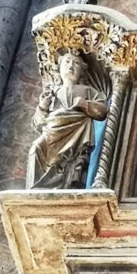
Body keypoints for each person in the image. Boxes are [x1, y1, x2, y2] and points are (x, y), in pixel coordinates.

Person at [27, 51, 108, 188]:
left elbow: (102, 111)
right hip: (53, 132)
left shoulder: (88, 91)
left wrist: (85, 104)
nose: (71, 66)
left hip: (76, 132)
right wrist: (42, 107)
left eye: (76, 63)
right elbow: (37, 124)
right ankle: (35, 189)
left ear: (82, 72)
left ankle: (65, 185)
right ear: (59, 68)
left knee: (69, 161)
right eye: (67, 62)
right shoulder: (52, 93)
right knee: (35, 149)